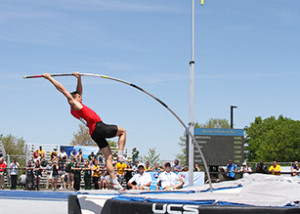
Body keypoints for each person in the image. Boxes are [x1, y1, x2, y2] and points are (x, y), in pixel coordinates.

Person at [43, 72, 125, 190]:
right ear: (75, 98)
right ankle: (121, 156)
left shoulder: (76, 106)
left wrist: (79, 79)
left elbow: (79, 91)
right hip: (99, 126)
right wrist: (50, 78)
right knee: (123, 132)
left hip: (93, 133)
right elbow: (62, 90)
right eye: (79, 97)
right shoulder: (73, 103)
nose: (82, 97)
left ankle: (115, 182)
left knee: (108, 157)